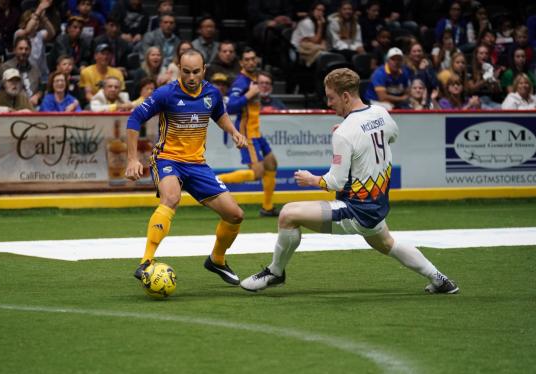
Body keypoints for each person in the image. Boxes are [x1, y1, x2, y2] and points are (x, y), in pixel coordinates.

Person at [240, 68, 459, 295]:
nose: (329, 103)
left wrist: (311, 179)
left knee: (288, 214)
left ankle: (275, 272)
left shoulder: (344, 133)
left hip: (357, 209)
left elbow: (335, 182)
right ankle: (440, 279)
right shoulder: (381, 113)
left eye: (331, 97)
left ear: (346, 96)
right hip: (377, 205)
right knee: (387, 244)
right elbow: (392, 136)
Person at [125, 49, 248, 285]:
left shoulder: (211, 92)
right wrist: (132, 159)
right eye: (186, 72)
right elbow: (134, 119)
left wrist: (233, 132)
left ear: (204, 70)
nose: (191, 77)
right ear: (179, 69)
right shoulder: (165, 94)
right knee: (171, 198)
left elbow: (218, 113)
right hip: (167, 159)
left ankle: (217, 260)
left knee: (235, 215)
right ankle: (146, 262)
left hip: (197, 164)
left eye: (195, 72)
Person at [216, 47, 280, 217]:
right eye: (247, 59)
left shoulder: (254, 78)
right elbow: (230, 107)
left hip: (256, 132)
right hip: (247, 133)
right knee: (257, 173)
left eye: (253, 58)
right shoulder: (241, 82)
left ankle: (267, 208)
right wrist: (250, 94)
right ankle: (216, 180)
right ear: (242, 63)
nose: (251, 62)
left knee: (271, 164)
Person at [0, 36, 42, 108]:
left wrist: (37, 96)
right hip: (14, 106)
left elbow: (41, 89)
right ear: (15, 50)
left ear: (30, 50)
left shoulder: (35, 69)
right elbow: (4, 90)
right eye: (21, 48)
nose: (24, 52)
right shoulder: (6, 67)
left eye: (26, 49)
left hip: (35, 106)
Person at [291, 1, 328, 67]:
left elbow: (322, 40)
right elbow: (316, 41)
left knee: (326, 55)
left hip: (313, 48)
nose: (320, 13)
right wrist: (320, 26)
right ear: (312, 11)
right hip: (299, 50)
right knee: (323, 55)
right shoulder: (306, 22)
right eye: (318, 10)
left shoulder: (320, 22)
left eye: (323, 11)